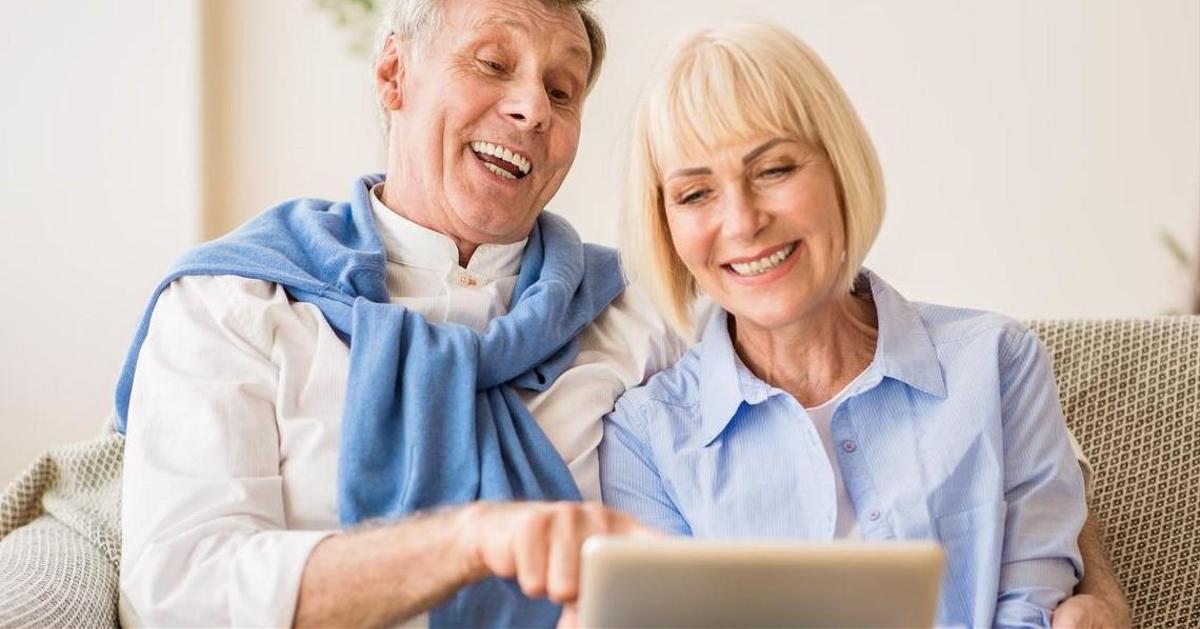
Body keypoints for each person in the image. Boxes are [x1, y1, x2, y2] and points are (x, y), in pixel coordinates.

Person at [115, 1, 1127, 627]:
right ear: (393, 74)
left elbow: (965, 436)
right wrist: (472, 538)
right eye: (492, 63)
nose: (532, 107)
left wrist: (1096, 589)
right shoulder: (236, 304)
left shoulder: (634, 315)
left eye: (562, 89)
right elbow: (178, 589)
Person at [600, 21, 1127, 628]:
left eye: (773, 170)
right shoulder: (646, 438)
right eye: (695, 194)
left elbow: (1031, 606)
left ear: (839, 167)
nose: (742, 222)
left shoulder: (998, 363)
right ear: (664, 224)